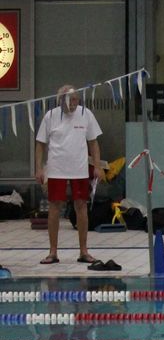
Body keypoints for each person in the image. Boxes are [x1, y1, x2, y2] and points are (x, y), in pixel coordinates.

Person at [34, 85, 102, 266]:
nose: (74, 103)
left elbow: (93, 143)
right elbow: (40, 144)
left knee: (81, 206)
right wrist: (39, 168)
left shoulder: (85, 114)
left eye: (76, 99)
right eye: (70, 100)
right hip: (56, 168)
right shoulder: (51, 116)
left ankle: (84, 251)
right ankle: (53, 252)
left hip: (79, 169)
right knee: (54, 207)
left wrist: (97, 166)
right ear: (61, 100)